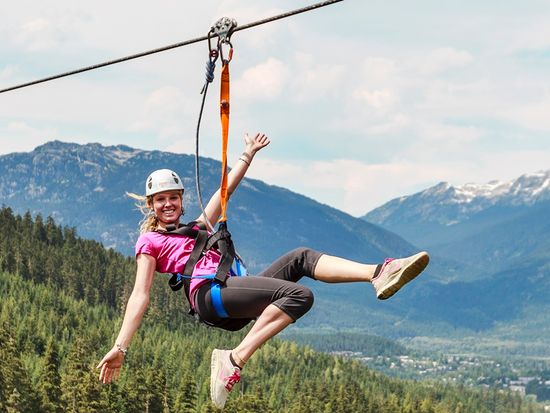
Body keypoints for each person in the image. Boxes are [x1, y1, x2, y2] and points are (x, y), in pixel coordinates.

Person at [96, 132, 429, 409]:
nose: (168, 204)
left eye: (173, 198)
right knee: (299, 296)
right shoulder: (150, 242)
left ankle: (378, 272)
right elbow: (140, 295)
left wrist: (247, 155)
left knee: (301, 257)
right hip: (209, 296)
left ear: (182, 200)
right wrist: (120, 346)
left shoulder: (198, 226)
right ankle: (234, 359)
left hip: (231, 290)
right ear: (151, 204)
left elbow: (224, 191)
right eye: (160, 200)